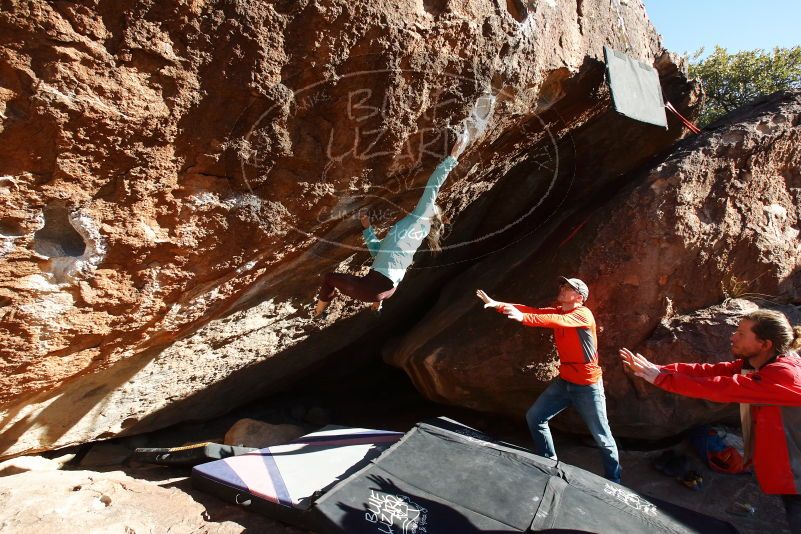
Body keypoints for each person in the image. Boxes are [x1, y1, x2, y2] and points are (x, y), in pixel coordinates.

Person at [619, 309, 801, 532]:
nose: (733, 336)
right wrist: (659, 370)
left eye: (742, 334)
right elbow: (709, 372)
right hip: (789, 473)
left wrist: (660, 378)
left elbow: (721, 388)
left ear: (765, 344)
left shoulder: (784, 375)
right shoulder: (758, 364)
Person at [476, 278, 622, 483]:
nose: (562, 289)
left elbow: (553, 321)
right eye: (562, 285)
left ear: (579, 297)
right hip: (565, 382)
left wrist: (524, 318)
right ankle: (548, 461)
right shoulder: (559, 311)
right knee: (535, 417)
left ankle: (614, 480)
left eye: (569, 288)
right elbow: (533, 311)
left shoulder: (582, 314)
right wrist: (498, 304)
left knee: (602, 436)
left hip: (588, 386)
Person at [314, 130, 469, 316]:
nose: (429, 205)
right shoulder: (415, 234)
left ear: (431, 214)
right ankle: (376, 306)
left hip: (375, 287)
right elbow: (378, 253)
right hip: (388, 289)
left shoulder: (422, 216)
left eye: (432, 206)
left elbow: (433, 186)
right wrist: (367, 229)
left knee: (329, 279)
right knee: (367, 288)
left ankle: (318, 312)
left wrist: (452, 158)